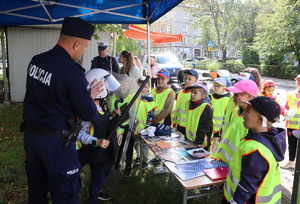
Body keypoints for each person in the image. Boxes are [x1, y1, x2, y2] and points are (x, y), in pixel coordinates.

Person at [22, 17, 105, 204]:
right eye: (84, 47)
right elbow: (88, 113)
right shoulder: (72, 71)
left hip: (32, 138)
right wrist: (88, 98)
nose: (84, 51)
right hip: (57, 143)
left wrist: (83, 95)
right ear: (76, 44)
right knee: (66, 195)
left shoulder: (37, 61)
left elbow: (49, 96)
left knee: (37, 192)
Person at [223, 96, 286, 204]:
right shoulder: (269, 139)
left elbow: (248, 184)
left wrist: (235, 201)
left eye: (248, 111)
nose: (243, 115)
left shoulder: (255, 149)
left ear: (261, 119)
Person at [76, 68, 120, 203]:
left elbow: (102, 121)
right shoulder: (86, 109)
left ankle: (95, 193)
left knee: (101, 174)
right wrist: (96, 141)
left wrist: (113, 116)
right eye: (104, 84)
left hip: (100, 152)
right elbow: (78, 133)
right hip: (87, 149)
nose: (107, 89)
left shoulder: (102, 103)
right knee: (74, 176)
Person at [212, 80, 259, 164]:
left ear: (250, 96)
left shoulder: (252, 119)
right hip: (226, 161)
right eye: (235, 94)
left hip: (238, 164)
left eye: (239, 94)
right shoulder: (238, 111)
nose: (234, 97)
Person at [178, 81, 213, 148]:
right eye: (192, 92)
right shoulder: (189, 104)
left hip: (201, 143)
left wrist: (199, 142)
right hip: (189, 140)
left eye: (195, 93)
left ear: (203, 95)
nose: (192, 94)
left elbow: (204, 127)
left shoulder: (206, 107)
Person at [281, 74, 300, 169]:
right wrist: (285, 112)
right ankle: (291, 162)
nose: (298, 82)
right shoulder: (291, 94)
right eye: (297, 80)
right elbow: (286, 106)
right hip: (292, 124)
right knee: (292, 145)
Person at [210, 77, 231, 152]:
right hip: (210, 129)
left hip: (219, 132)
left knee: (216, 150)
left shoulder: (229, 100)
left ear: (224, 87)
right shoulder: (210, 97)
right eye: (214, 85)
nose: (215, 87)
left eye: (218, 86)